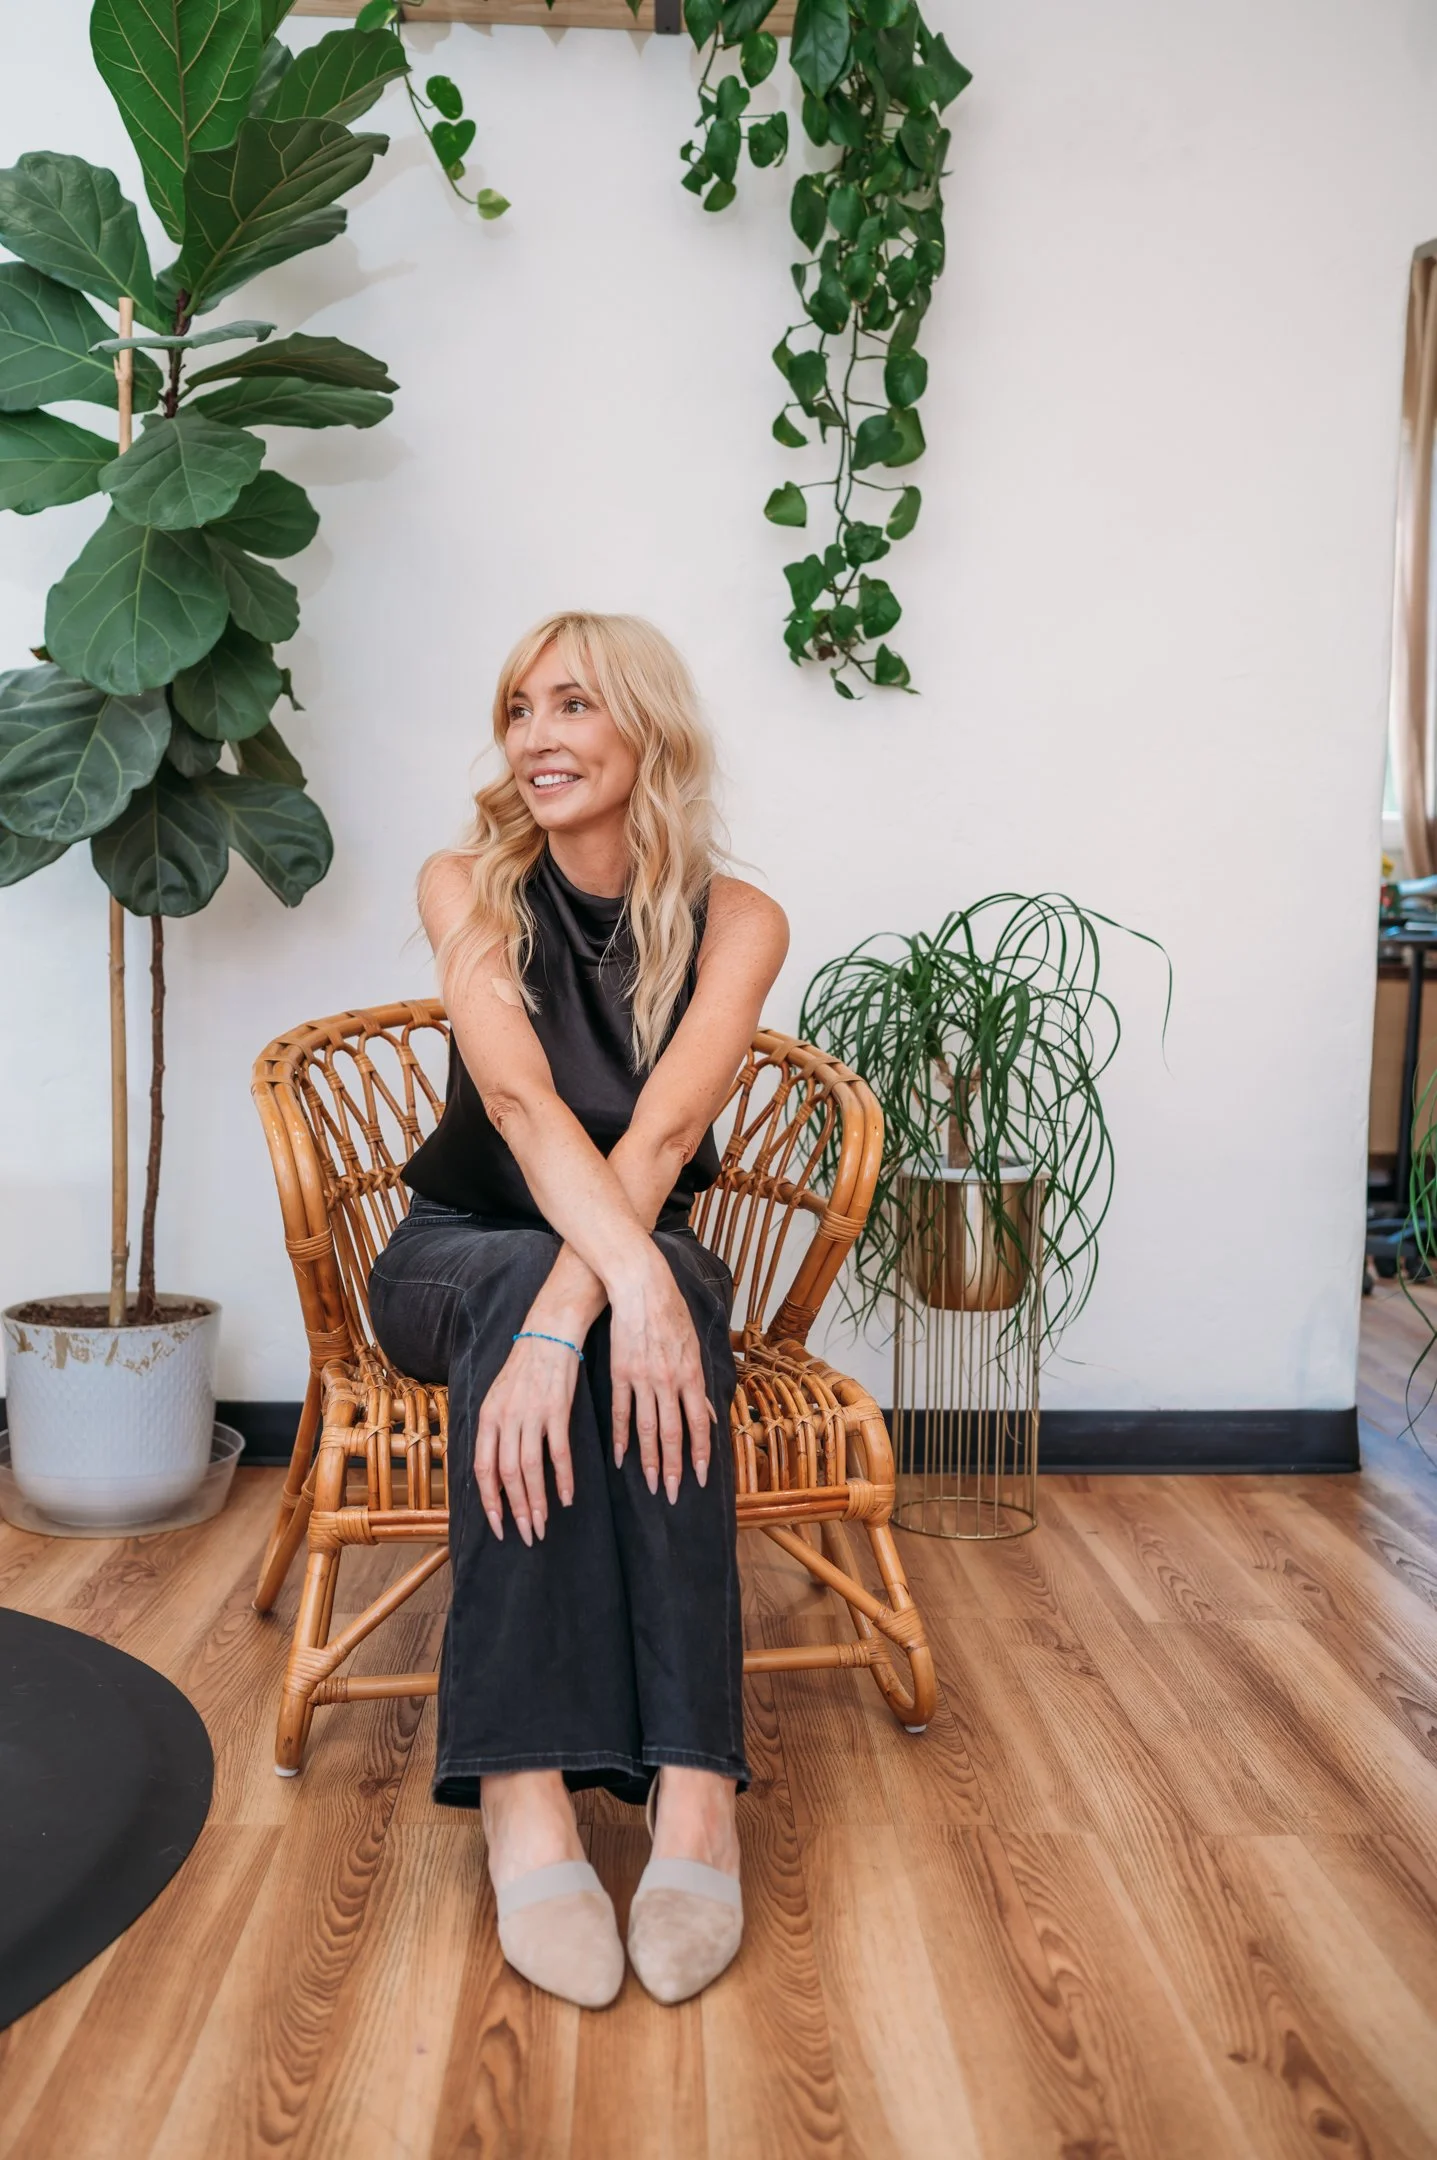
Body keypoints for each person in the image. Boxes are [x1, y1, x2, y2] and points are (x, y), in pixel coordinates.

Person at [367, 612, 788, 2010]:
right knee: (569, 1296)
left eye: (572, 705)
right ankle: (525, 1793)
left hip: (625, 1237)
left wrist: (599, 1301)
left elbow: (661, 1140)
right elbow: (519, 1102)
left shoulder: (740, 920)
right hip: (456, 1250)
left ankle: (694, 1799)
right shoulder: (467, 886)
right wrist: (590, 1302)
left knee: (663, 1302)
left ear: (647, 729)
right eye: (518, 709)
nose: (535, 737)